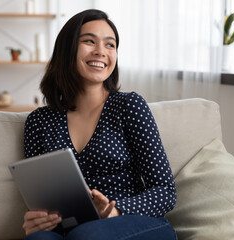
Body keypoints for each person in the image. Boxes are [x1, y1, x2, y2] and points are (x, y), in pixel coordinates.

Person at [23, 9, 177, 240]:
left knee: (87, 235)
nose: (101, 52)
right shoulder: (39, 122)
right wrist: (36, 220)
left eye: (110, 45)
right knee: (37, 239)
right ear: (67, 49)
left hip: (134, 223)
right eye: (89, 41)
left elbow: (165, 192)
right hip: (70, 229)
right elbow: (40, 201)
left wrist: (115, 210)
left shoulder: (129, 106)